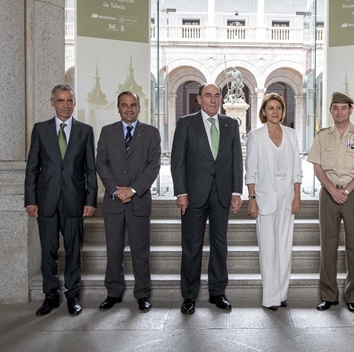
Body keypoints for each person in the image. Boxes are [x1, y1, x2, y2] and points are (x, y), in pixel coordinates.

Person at [170, 83, 243, 314]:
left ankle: (217, 293)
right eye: (208, 96)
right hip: (193, 196)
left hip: (221, 194)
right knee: (191, 247)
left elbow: (236, 160)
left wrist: (236, 192)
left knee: (220, 246)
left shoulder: (231, 124)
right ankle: (189, 295)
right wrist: (181, 192)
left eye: (217, 96)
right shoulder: (186, 123)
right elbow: (177, 161)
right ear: (199, 99)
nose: (213, 100)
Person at [25, 84, 97, 317]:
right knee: (48, 250)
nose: (65, 105)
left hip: (75, 200)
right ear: (52, 102)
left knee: (74, 250)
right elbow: (32, 168)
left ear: (74, 103)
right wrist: (30, 199)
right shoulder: (40, 130)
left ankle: (73, 296)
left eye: (69, 101)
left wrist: (90, 200)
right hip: (46, 201)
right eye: (61, 101)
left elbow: (90, 169)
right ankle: (50, 296)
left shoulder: (85, 131)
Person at [307, 92, 354, 313]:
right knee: (328, 246)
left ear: (350, 110)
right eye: (335, 108)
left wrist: (346, 190)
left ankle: (353, 296)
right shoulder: (322, 136)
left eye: (343, 108)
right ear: (330, 110)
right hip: (329, 194)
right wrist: (332, 190)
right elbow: (317, 167)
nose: (339, 112)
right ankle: (328, 295)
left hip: (353, 194)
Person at [96, 91, 161, 312]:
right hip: (114, 201)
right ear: (118, 108)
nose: (129, 109)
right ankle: (113, 293)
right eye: (125, 105)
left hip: (139, 201)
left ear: (139, 107)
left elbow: (154, 166)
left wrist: (133, 190)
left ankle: (142, 294)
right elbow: (101, 163)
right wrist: (117, 191)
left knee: (140, 251)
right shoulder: (107, 132)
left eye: (133, 105)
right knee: (113, 250)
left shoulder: (151, 133)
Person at [245, 93, 302, 310]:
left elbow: (297, 168)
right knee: (268, 248)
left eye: (278, 107)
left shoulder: (291, 134)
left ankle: (282, 293)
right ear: (264, 111)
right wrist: (251, 199)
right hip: (264, 197)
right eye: (270, 108)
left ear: (283, 111)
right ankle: (270, 298)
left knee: (285, 247)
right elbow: (250, 171)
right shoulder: (256, 136)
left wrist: (297, 194)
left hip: (287, 196)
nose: (275, 111)